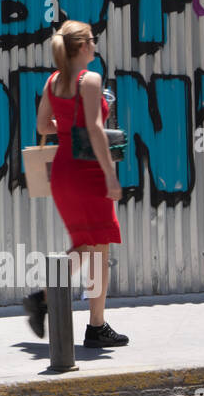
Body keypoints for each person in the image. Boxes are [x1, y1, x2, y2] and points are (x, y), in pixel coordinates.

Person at [22, 20, 129, 348]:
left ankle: (83, 318)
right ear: (82, 47)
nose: (96, 45)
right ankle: (56, 303)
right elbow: (96, 130)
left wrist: (68, 125)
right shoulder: (91, 80)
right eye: (92, 41)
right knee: (95, 246)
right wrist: (110, 174)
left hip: (64, 171)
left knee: (91, 245)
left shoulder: (53, 81)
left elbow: (43, 123)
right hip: (89, 172)